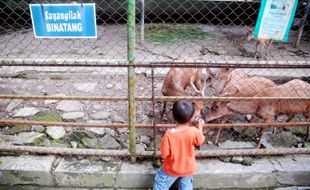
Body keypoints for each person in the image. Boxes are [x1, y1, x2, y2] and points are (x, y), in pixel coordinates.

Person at [153, 100, 205, 190]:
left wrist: (164, 160)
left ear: (173, 116)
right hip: (188, 167)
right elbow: (200, 141)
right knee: (186, 185)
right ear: (191, 118)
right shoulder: (193, 131)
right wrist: (200, 127)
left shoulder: (169, 134)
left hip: (172, 168)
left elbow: (164, 153)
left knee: (160, 183)